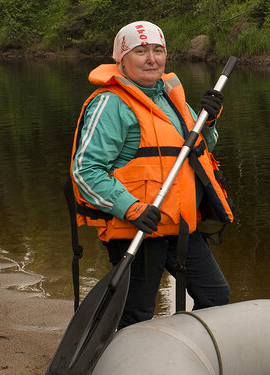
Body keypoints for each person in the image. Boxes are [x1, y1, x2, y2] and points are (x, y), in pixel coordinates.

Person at [70, 20, 234, 329]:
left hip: (179, 224)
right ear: (121, 58)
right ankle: (120, 370)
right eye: (141, 51)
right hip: (137, 226)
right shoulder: (110, 104)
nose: (151, 59)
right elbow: (86, 171)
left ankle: (183, 357)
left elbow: (199, 148)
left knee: (214, 295)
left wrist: (209, 122)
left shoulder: (170, 96)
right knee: (136, 314)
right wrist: (131, 208)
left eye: (158, 50)